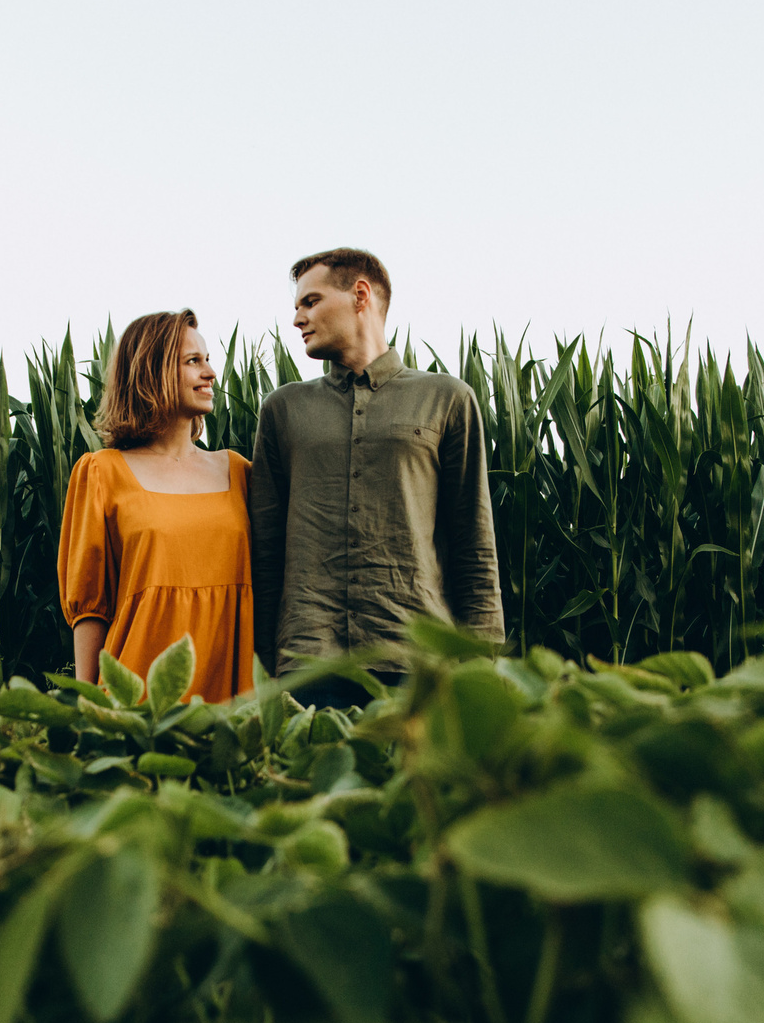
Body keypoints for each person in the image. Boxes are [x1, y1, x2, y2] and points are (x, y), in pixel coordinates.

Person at [248, 248, 503, 706]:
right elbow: (265, 550)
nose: (297, 319)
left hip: (417, 658)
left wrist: (481, 662)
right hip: (308, 662)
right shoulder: (282, 410)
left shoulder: (446, 399)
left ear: (359, 295)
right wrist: (266, 663)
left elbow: (474, 543)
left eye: (311, 302)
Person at [58, 309, 255, 704]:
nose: (211, 373)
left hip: (230, 694)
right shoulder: (101, 472)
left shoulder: (240, 472)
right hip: (135, 694)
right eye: (192, 361)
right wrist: (88, 705)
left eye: (208, 359)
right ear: (152, 371)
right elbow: (90, 608)